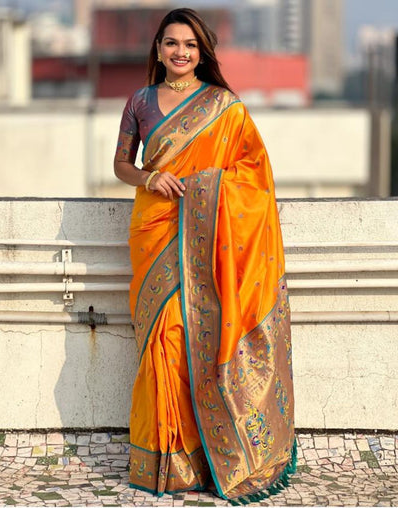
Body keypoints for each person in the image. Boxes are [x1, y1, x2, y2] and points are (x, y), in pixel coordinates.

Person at [114, 7, 296, 504]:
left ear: (203, 52)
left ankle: (218, 456)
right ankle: (171, 462)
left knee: (202, 336)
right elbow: (121, 165)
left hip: (207, 233)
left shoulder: (224, 106)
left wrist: (204, 188)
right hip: (154, 229)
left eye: (190, 45)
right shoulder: (139, 101)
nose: (180, 52)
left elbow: (254, 174)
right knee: (163, 343)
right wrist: (150, 177)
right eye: (172, 43)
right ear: (158, 49)